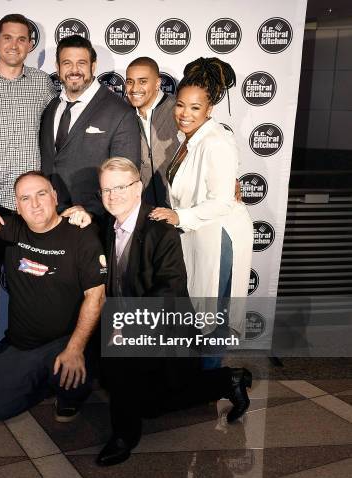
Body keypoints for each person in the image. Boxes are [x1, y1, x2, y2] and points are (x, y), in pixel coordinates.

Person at [97, 157, 252, 467]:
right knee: (154, 403)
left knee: (124, 362)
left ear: (138, 188)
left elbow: (170, 289)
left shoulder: (160, 231)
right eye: (105, 190)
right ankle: (228, 380)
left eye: (120, 187)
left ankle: (124, 436)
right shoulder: (107, 225)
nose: (113, 195)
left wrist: (130, 324)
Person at [0, 171, 106, 421]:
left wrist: (75, 348)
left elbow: (96, 297)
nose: (35, 204)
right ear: (17, 207)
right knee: (1, 406)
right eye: (25, 198)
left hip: (67, 341)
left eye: (41, 194)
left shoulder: (81, 234)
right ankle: (44, 380)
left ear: (54, 197)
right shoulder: (10, 229)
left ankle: (70, 385)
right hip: (23, 343)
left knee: (73, 376)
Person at [150, 57, 254, 367]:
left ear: (209, 110)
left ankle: (216, 383)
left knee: (214, 312)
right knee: (200, 309)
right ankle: (201, 379)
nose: (184, 114)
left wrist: (179, 217)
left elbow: (223, 201)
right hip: (200, 234)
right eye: (180, 105)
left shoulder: (216, 142)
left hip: (219, 236)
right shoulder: (190, 138)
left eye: (195, 108)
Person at [40, 35, 141, 219]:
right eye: (67, 63)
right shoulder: (51, 108)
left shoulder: (120, 113)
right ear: (58, 67)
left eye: (81, 63)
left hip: (95, 223)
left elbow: (125, 178)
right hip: (51, 220)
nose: (74, 70)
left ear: (93, 66)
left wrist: (90, 211)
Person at [0, 13, 57, 214]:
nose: (14, 45)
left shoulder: (42, 82)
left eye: (21, 39)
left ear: (30, 45)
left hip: (34, 201)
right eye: (7, 38)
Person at [125, 57, 178, 207]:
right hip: (142, 210)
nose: (135, 88)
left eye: (142, 81)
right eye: (130, 81)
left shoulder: (179, 109)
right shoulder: (122, 114)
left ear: (157, 83)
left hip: (180, 209)